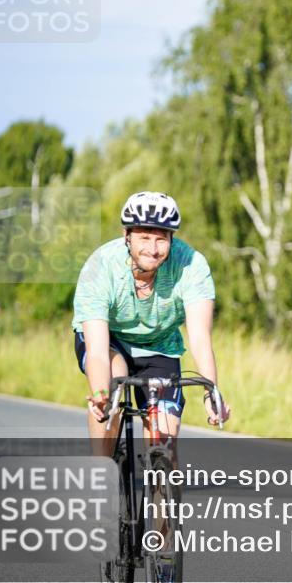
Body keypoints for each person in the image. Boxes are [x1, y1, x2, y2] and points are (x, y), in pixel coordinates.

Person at [71, 191, 230, 455]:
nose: (153, 249)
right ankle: (102, 467)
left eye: (161, 239)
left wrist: (210, 392)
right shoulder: (100, 266)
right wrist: (101, 395)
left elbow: (200, 338)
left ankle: (160, 478)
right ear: (127, 235)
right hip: (109, 341)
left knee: (164, 442)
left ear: (171, 239)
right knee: (113, 383)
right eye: (144, 238)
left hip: (160, 346)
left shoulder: (191, 265)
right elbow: (97, 352)